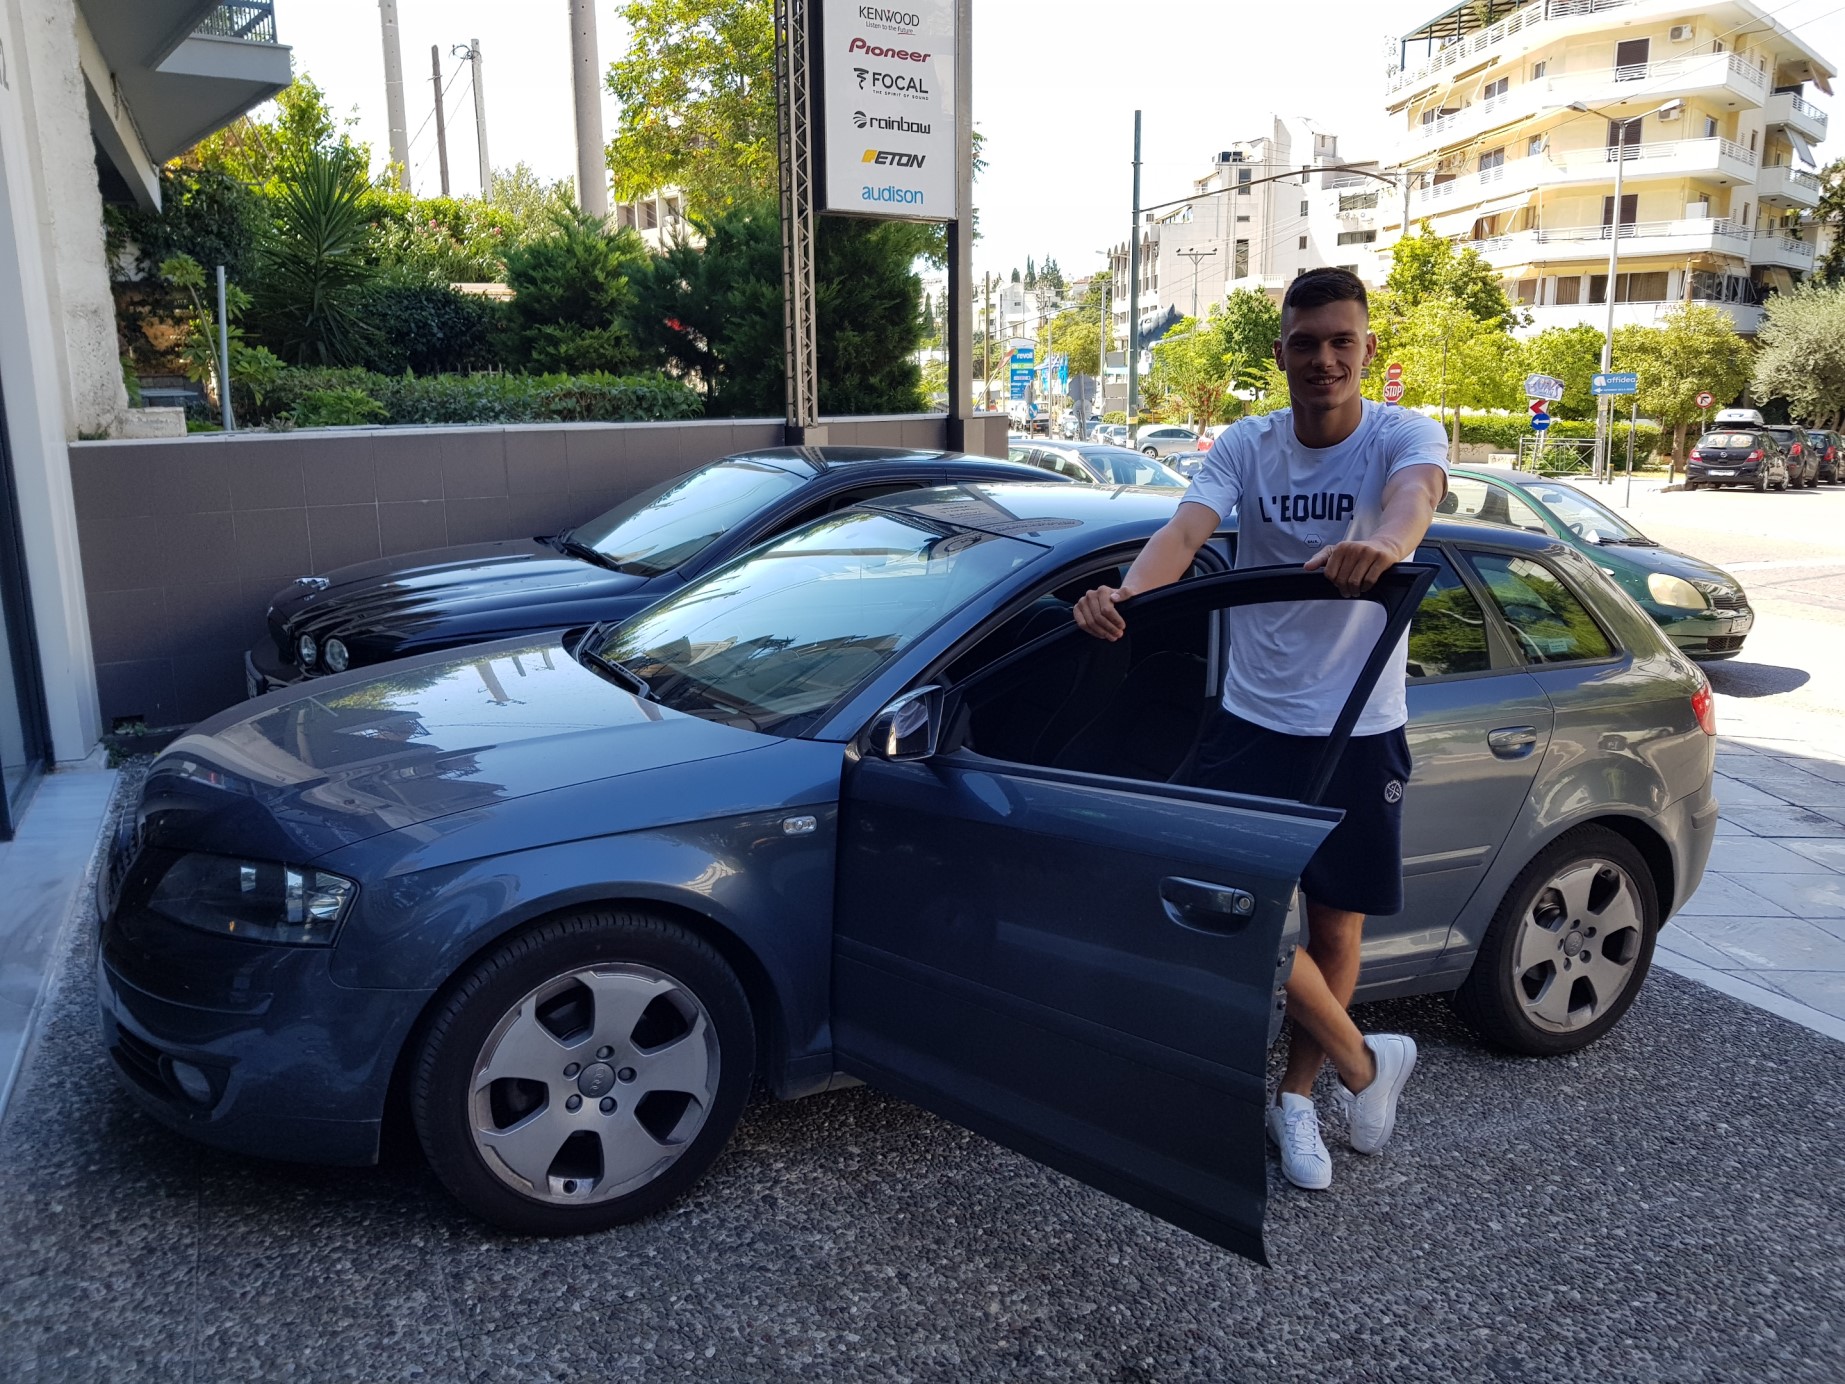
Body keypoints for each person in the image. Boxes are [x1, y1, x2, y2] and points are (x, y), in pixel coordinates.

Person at [1072, 268, 1448, 1191]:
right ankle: (1365, 1061)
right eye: (1305, 343)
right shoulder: (1249, 443)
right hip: (1254, 719)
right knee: (1225, 914)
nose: (1323, 359)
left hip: (1359, 724)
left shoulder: (1401, 434)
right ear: (1279, 353)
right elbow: (1185, 532)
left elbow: (1416, 498)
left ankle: (1297, 1097)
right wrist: (1126, 599)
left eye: (1340, 341)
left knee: (1334, 925)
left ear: (1366, 349)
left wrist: (1385, 546)